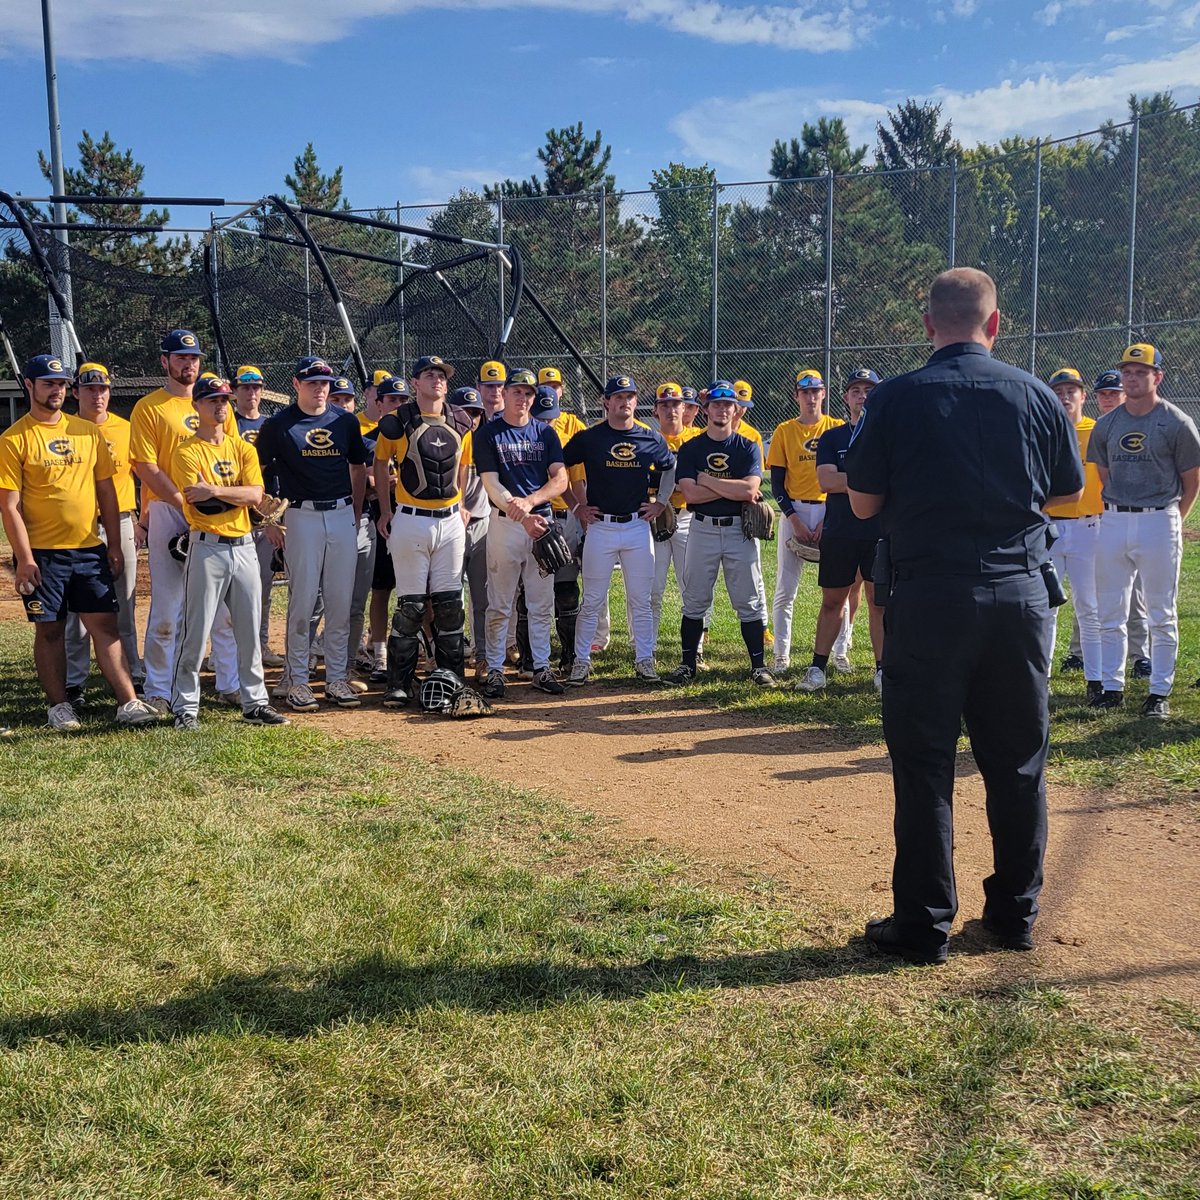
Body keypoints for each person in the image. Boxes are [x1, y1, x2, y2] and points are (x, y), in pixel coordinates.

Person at [845, 266, 1083, 965]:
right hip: (1019, 596)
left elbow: (861, 504)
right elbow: (1066, 496)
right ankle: (1015, 915)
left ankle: (922, 924)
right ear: (995, 323)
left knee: (923, 762)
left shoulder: (896, 399)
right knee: (1017, 762)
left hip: (929, 596)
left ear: (927, 326)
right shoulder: (1037, 394)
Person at [0, 354, 156, 731]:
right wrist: (24, 559)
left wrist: (114, 545)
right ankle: (59, 707)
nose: (57, 390)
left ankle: (129, 703)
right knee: (50, 629)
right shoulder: (14, 438)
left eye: (61, 384)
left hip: (89, 548)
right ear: (29, 386)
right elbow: (9, 506)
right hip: (43, 555)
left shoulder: (86, 433)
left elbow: (106, 492)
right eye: (49, 383)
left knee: (105, 626)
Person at [130, 329, 243, 714]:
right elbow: (144, 465)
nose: (188, 363)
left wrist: (221, 501)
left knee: (223, 606)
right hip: (168, 509)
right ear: (164, 361)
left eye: (193, 357)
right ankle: (159, 689)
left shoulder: (216, 401)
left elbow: (229, 454)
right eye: (180, 357)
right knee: (168, 606)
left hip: (215, 510)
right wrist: (183, 502)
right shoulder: (150, 407)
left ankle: (229, 682)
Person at [166, 377, 289, 730]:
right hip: (207, 546)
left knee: (249, 631)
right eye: (211, 400)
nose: (219, 405)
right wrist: (232, 493)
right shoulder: (186, 450)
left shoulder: (243, 448)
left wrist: (215, 489)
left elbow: (255, 496)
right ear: (197, 405)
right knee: (195, 630)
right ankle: (185, 708)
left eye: (223, 399)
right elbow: (202, 505)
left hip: (245, 545)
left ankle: (255, 703)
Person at [1088, 344, 1200, 717]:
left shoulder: (1176, 422)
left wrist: (1170, 519)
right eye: (1128, 371)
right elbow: (1105, 475)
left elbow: (1191, 481)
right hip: (1115, 517)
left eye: (1141, 371)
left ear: (1158, 376)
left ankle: (1159, 692)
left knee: (1160, 612)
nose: (1132, 377)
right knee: (1110, 609)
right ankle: (1111, 686)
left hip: (1159, 517)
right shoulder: (1107, 424)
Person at [255, 356, 369, 712]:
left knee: (339, 599)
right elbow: (255, 469)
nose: (320, 389)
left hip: (340, 512)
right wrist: (269, 519)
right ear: (296, 384)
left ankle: (336, 678)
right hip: (300, 514)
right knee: (302, 600)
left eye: (325, 383)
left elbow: (358, 466)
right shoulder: (279, 424)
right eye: (312, 382)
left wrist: (353, 511)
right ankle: (298, 680)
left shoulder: (345, 421)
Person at [373, 355, 474, 707]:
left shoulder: (460, 419)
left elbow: (463, 464)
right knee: (412, 606)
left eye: (442, 376)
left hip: (449, 520)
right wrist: (385, 510)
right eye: (429, 375)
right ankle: (397, 684)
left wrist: (461, 503)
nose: (437, 380)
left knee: (449, 605)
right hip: (411, 518)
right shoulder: (397, 421)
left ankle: (452, 680)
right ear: (414, 382)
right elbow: (380, 461)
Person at [662, 381, 775, 688]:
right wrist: (730, 489)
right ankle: (687, 664)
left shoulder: (747, 446)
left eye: (728, 404)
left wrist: (707, 479)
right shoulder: (691, 448)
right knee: (695, 599)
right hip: (702, 528)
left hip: (739, 529)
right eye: (716, 403)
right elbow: (691, 496)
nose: (722, 409)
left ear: (735, 409)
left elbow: (751, 490)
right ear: (706, 408)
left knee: (749, 600)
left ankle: (758, 667)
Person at [565, 375, 675, 685]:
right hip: (601, 526)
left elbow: (670, 468)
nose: (624, 401)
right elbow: (557, 466)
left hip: (638, 526)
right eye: (618, 396)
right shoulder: (590, 438)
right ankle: (581, 661)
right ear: (606, 402)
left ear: (636, 402)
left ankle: (644, 660)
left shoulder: (649, 437)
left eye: (630, 396)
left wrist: (661, 502)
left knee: (641, 599)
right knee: (593, 600)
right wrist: (576, 506)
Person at [471, 368, 569, 699]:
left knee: (541, 602)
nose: (523, 398)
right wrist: (519, 509)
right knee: (500, 601)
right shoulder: (489, 434)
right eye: (516, 391)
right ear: (505, 393)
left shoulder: (545, 433)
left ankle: (540, 667)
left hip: (540, 524)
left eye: (528, 393)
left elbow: (560, 479)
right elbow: (490, 482)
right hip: (505, 523)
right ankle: (495, 668)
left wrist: (530, 503)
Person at [795, 368, 885, 694]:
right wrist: (870, 484)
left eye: (869, 390)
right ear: (845, 397)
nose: (862, 395)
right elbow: (827, 481)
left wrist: (849, 482)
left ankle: (881, 671)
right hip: (841, 530)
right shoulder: (833, 437)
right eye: (856, 390)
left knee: (879, 602)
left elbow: (892, 482)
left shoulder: (888, 434)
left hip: (878, 532)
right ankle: (817, 668)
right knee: (833, 600)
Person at [64, 361, 145, 703]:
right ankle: (74, 681)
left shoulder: (126, 429)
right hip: (79, 525)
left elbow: (143, 474)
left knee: (124, 601)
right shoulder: (64, 429)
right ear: (75, 392)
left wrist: (143, 518)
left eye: (103, 389)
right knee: (76, 611)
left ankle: (133, 674)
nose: (97, 395)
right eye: (89, 389)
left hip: (123, 520)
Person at [766, 368, 845, 673]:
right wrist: (794, 519)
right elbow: (776, 485)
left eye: (816, 391)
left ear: (824, 394)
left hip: (831, 511)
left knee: (840, 587)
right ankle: (781, 657)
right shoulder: (785, 430)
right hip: (794, 510)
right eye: (805, 392)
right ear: (796, 396)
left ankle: (840, 654)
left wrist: (830, 518)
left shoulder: (835, 427)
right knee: (786, 589)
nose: (811, 397)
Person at [514, 383, 587, 674]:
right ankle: (527, 657)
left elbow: (574, 482)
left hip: (564, 517)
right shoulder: (522, 440)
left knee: (567, 587)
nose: (547, 422)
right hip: (532, 518)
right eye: (541, 417)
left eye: (551, 416)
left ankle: (568, 655)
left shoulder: (564, 440)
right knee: (528, 590)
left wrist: (580, 511)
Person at [1043, 368, 1104, 703]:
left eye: (1071, 391)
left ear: (1083, 396)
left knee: (1089, 607)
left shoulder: (1095, 430)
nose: (1065, 397)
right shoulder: (1044, 431)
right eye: (1059, 391)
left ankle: (1095, 680)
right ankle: (1041, 678)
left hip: (1088, 528)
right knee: (1045, 607)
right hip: (1050, 527)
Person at [231, 363, 284, 667]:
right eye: (245, 387)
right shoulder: (230, 424)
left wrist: (274, 518)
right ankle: (226, 651)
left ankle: (260, 645)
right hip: (234, 516)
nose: (251, 393)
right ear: (235, 390)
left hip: (265, 516)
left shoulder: (270, 425)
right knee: (228, 589)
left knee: (261, 586)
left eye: (256, 387)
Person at [647, 381, 702, 651]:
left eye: (676, 404)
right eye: (665, 405)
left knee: (691, 587)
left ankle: (696, 649)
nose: (671, 410)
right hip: (652, 519)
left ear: (685, 407)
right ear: (656, 410)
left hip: (687, 518)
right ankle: (646, 648)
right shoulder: (646, 438)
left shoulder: (698, 440)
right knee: (651, 589)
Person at [450, 386, 490, 676]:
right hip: (450, 522)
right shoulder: (446, 439)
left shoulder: (487, 441)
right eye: (466, 412)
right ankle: (447, 657)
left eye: (476, 412)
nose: (471, 418)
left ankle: (484, 655)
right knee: (447, 595)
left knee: (482, 595)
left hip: (482, 523)